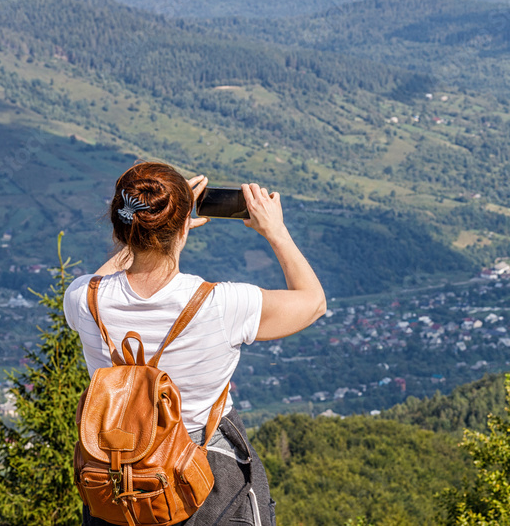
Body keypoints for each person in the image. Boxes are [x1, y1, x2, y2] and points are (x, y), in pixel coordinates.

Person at [62, 162, 326, 525]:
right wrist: (275, 231)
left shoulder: (82, 299)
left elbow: (105, 276)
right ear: (184, 226)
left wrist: (151, 223)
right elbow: (314, 303)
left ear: (120, 223)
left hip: (118, 487)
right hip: (204, 482)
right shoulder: (221, 304)